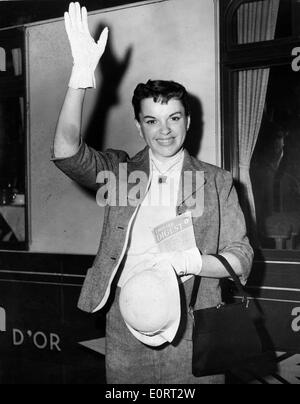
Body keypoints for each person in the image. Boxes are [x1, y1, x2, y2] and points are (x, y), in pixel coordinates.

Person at [52, 2, 253, 384]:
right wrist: (79, 77)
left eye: (174, 118)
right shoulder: (121, 172)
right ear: (139, 126)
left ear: (188, 121)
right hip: (126, 325)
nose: (165, 131)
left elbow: (241, 258)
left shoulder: (216, 180)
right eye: (152, 121)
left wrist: (190, 262)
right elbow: (66, 152)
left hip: (195, 327)